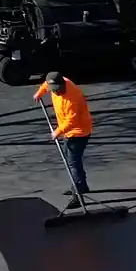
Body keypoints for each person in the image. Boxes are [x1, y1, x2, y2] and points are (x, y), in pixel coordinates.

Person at [35, 71, 94, 202]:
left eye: (57, 90)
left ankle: (78, 195)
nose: (55, 93)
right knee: (71, 160)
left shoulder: (72, 97)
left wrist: (57, 132)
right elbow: (46, 84)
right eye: (53, 90)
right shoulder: (55, 81)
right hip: (68, 131)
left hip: (78, 132)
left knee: (73, 163)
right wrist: (40, 93)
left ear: (62, 84)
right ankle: (81, 186)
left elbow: (71, 121)